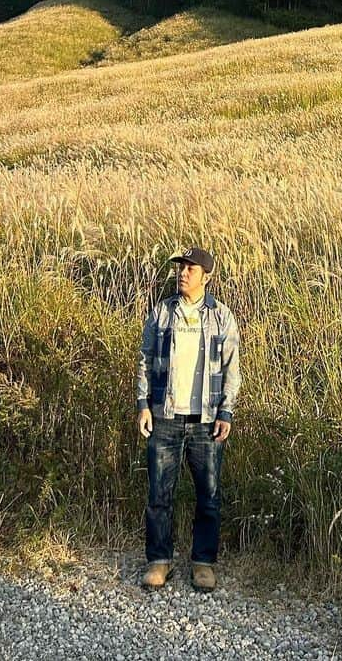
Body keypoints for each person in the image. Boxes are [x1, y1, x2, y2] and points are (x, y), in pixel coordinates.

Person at [136, 246, 241, 592]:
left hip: (205, 420)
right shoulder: (162, 313)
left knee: (208, 495)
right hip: (165, 415)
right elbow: (145, 360)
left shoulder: (221, 317)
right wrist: (143, 404)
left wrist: (226, 411)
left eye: (190, 269)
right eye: (180, 267)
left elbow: (231, 370)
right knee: (158, 493)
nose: (182, 273)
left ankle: (203, 563)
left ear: (205, 276)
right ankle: (159, 561)